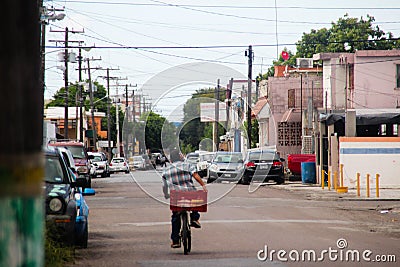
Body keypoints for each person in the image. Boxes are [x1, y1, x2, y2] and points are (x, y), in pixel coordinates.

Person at [162, 149, 207, 248]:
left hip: (176, 196)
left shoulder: (166, 170)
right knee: (195, 200)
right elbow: (195, 175)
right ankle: (195, 218)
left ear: (171, 160)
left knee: (175, 217)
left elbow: (164, 186)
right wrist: (203, 185)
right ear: (180, 157)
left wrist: (166, 194)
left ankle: (175, 241)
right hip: (189, 193)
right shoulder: (187, 165)